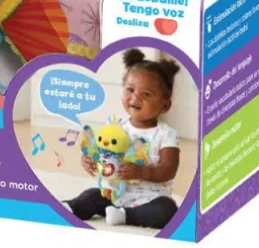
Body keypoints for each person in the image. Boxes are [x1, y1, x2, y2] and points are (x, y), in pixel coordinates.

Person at [66, 49, 181, 229]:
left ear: (165, 105)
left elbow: (169, 169)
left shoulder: (166, 134)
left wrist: (142, 172)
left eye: (147, 94)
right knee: (91, 196)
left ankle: (126, 216)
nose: (135, 97)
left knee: (168, 210)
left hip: (150, 200)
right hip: (113, 195)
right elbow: (101, 152)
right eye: (130, 90)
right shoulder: (116, 126)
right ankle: (69, 208)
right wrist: (89, 160)